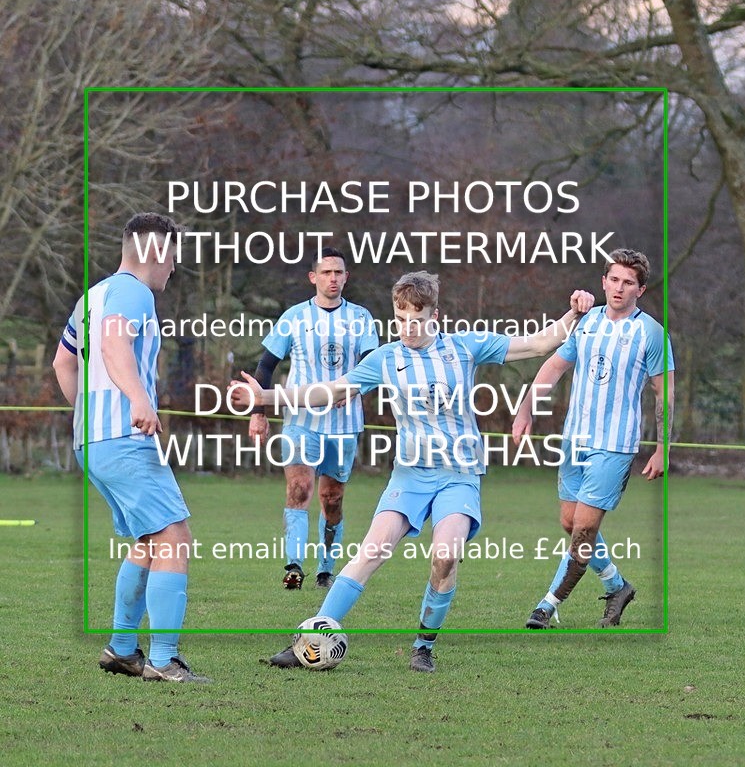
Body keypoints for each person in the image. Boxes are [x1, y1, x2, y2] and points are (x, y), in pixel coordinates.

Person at [232, 271, 594, 672]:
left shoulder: (464, 347)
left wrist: (573, 314)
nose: (407, 329)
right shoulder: (387, 358)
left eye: (416, 321)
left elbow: (540, 343)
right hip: (410, 476)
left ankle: (423, 646)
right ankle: (312, 638)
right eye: (400, 320)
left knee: (445, 557)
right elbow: (332, 390)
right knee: (371, 552)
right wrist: (265, 395)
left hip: (459, 475)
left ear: (434, 315)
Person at [52, 212, 210, 683]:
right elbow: (113, 344)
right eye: (173, 257)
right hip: (124, 438)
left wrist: (90, 413)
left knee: (150, 539)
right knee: (175, 538)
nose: (174, 269)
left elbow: (62, 362)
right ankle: (163, 661)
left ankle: (122, 650)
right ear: (157, 252)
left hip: (93, 440)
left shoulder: (91, 295)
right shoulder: (133, 292)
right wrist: (137, 398)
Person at [512, 249, 675, 629]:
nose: (620, 288)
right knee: (570, 524)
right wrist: (525, 409)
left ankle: (547, 605)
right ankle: (617, 586)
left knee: (585, 529)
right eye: (614, 279)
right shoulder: (585, 323)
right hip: (575, 440)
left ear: (641, 289)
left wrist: (663, 448)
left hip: (614, 446)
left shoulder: (651, 333)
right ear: (604, 282)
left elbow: (663, 394)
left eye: (628, 282)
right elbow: (554, 366)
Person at [248, 247, 378, 590]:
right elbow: (265, 367)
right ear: (313, 277)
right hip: (301, 421)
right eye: (326, 273)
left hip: (344, 425)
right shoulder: (294, 317)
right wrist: (258, 414)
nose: (332, 278)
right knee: (299, 487)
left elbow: (371, 366)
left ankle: (325, 567)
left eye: (338, 273)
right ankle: (293, 566)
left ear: (346, 277)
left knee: (331, 499)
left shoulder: (362, 318)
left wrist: (352, 391)